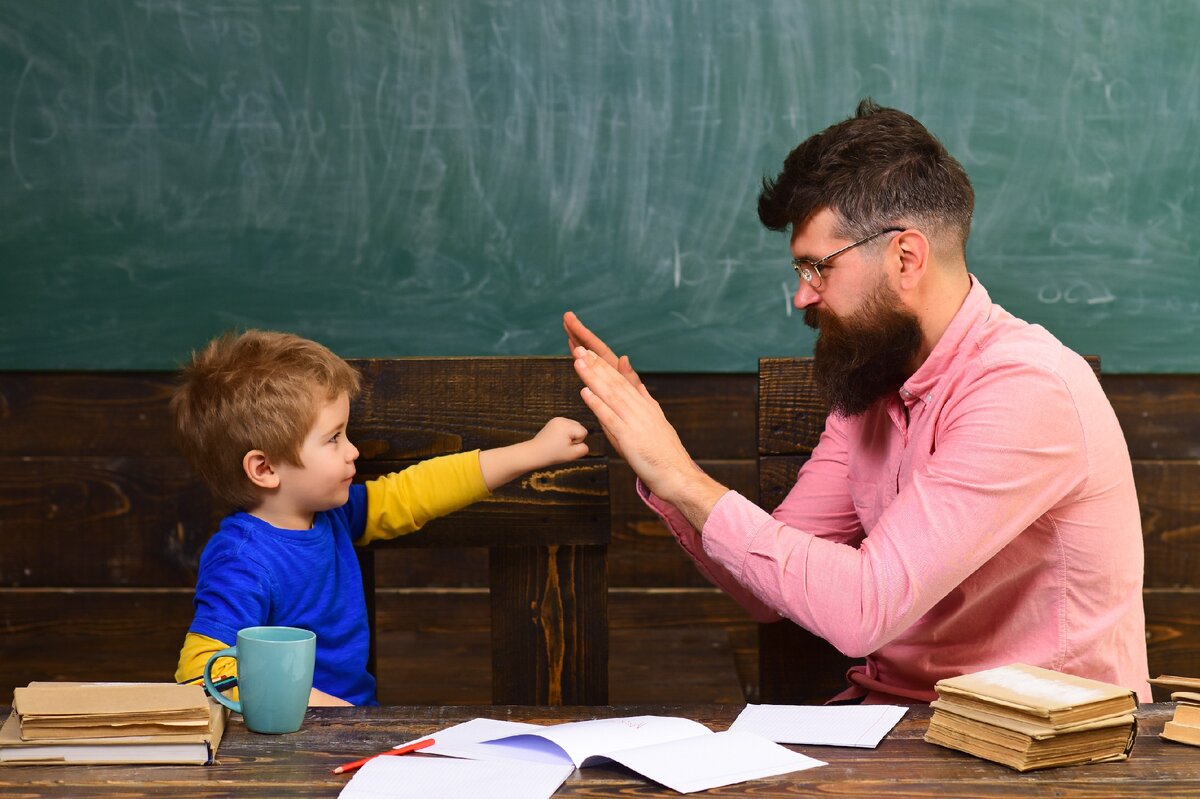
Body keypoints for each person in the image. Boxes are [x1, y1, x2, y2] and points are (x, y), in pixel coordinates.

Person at [564, 99, 1150, 704]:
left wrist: (683, 476)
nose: (801, 297)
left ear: (905, 257)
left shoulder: (1025, 390)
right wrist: (659, 469)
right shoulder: (873, 384)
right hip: (901, 732)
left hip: (1044, 752)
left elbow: (866, 608)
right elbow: (766, 594)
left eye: (816, 268)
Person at [171, 330, 589, 705]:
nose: (353, 451)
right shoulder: (242, 561)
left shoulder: (332, 516)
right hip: (287, 745)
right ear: (264, 469)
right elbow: (200, 673)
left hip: (350, 731)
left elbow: (419, 490)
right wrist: (319, 706)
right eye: (333, 439)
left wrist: (532, 453)